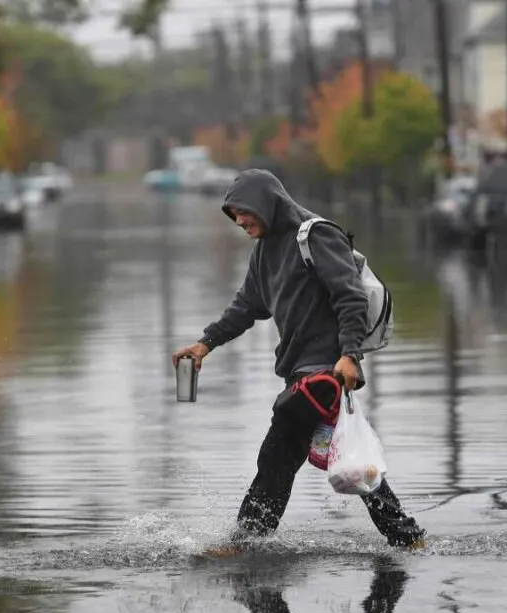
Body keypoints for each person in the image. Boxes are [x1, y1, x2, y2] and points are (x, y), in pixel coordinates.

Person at [171, 169, 425, 549]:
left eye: (243, 211)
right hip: (299, 372)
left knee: (276, 454)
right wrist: (206, 343)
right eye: (233, 215)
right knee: (348, 462)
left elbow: (350, 296)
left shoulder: (316, 235)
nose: (239, 221)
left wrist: (350, 355)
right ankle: (406, 536)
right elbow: (246, 306)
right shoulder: (265, 252)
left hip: (325, 371)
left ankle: (245, 542)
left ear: (266, 203)